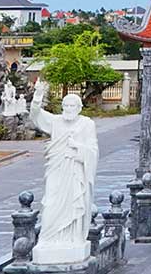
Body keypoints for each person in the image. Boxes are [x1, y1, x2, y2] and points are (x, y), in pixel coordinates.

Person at [28, 81, 100, 264]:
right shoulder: (56, 121)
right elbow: (35, 116)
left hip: (76, 171)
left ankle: (72, 238)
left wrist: (78, 149)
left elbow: (93, 150)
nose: (69, 109)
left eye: (72, 106)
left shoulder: (86, 124)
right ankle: (49, 238)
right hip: (57, 168)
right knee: (51, 202)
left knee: (73, 204)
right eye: (66, 105)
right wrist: (38, 95)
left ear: (79, 107)